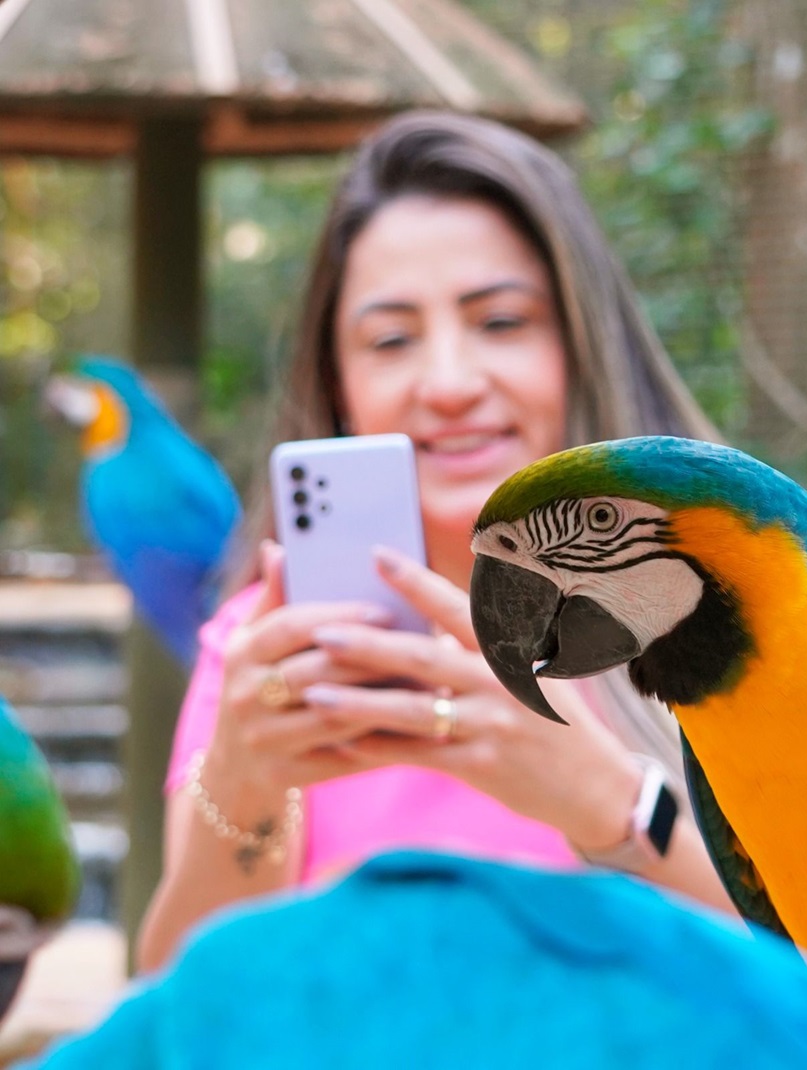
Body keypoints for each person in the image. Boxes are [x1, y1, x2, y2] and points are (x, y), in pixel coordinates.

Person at [137, 109, 734, 973]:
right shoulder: (267, 654)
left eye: (501, 322)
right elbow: (173, 1017)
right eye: (391, 340)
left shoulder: (735, 618)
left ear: (579, 347)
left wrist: (608, 801)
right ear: (339, 383)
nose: (449, 383)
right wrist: (244, 784)